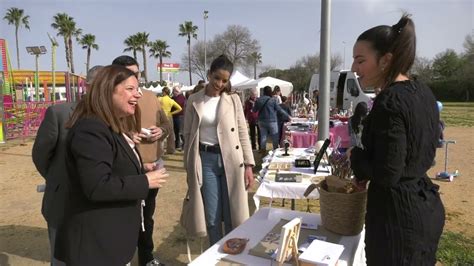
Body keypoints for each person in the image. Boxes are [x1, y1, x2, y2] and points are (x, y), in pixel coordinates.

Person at [349, 14, 445, 265]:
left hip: (398, 220)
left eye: (360, 60)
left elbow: (387, 172)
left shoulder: (390, 101)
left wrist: (356, 159)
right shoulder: (423, 91)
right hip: (425, 205)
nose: (354, 69)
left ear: (386, 60)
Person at [54, 65, 168, 265]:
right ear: (108, 91)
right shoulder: (91, 129)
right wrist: (144, 181)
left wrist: (141, 170)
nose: (138, 94)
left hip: (109, 242)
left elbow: (111, 167)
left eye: (138, 88)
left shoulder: (109, 126)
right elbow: (97, 186)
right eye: (130, 89)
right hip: (94, 247)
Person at [181, 55, 255, 246]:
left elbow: (242, 132)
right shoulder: (194, 100)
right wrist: (188, 165)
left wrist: (249, 165)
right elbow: (188, 135)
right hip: (205, 160)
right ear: (209, 74)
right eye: (216, 78)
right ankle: (215, 254)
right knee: (212, 215)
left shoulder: (234, 100)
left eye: (224, 80)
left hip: (232, 159)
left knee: (233, 212)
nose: (219, 83)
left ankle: (232, 251)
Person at [32, 65, 102, 266]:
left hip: (98, 208)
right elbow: (41, 154)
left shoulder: (116, 117)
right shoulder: (59, 113)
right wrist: (57, 179)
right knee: (61, 259)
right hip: (63, 203)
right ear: (87, 86)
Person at [112, 55, 170, 266]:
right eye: (129, 75)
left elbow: (167, 124)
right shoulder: (108, 102)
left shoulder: (151, 97)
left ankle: (146, 258)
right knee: (124, 219)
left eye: (137, 74)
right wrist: (125, 137)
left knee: (147, 218)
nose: (135, 79)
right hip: (124, 173)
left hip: (151, 168)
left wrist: (161, 131)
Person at [253, 86, 291, 152]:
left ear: (263, 92)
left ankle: (263, 151)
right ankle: (275, 150)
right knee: (275, 137)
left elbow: (254, 110)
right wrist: (288, 116)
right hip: (272, 121)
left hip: (261, 121)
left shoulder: (258, 100)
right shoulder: (273, 100)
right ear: (270, 91)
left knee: (263, 136)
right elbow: (279, 110)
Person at [159, 87, 182, 154]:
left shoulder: (160, 99)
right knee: (171, 134)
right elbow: (180, 108)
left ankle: (160, 149)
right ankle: (171, 149)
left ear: (164, 92)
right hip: (169, 116)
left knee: (161, 133)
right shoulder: (171, 100)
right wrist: (171, 113)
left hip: (161, 117)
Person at [172, 86, 186, 150]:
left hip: (180, 116)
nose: (174, 92)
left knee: (180, 131)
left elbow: (180, 106)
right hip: (174, 116)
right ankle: (177, 144)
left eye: (175, 91)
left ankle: (183, 145)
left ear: (178, 91)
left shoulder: (181, 98)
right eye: (173, 91)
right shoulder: (173, 98)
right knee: (176, 131)